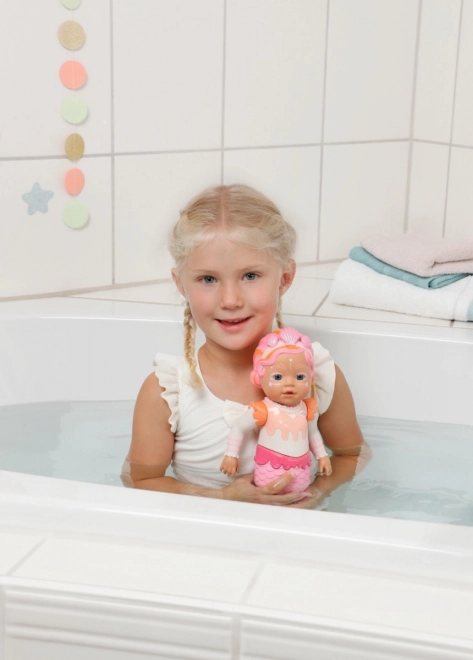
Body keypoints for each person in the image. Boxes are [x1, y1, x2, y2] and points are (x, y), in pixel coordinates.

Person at [122, 184, 367, 508]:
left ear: (285, 278)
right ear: (181, 283)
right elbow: (140, 480)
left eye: (250, 276)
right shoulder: (168, 392)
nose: (230, 300)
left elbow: (352, 455)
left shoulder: (316, 375)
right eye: (208, 279)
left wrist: (318, 492)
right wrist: (221, 497)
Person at [220, 327, 332, 491]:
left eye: (300, 377)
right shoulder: (264, 410)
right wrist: (231, 455)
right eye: (278, 377)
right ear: (259, 378)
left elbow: (313, 433)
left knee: (299, 498)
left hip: (301, 470)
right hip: (269, 469)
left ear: (311, 377)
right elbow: (238, 428)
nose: (290, 384)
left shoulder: (307, 409)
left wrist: (322, 456)